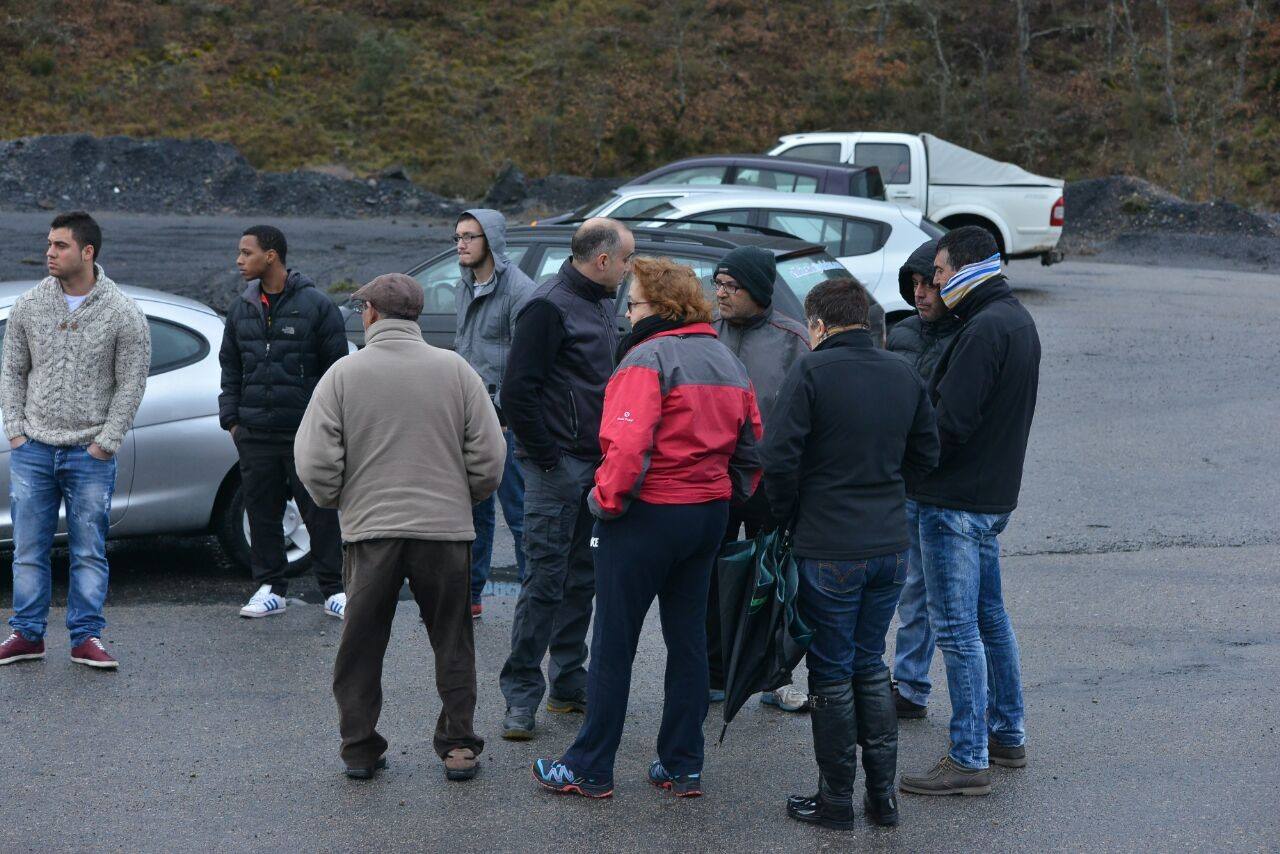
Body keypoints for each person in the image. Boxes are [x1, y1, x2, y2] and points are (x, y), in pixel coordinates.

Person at [532, 257, 761, 800]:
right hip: (706, 513)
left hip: (646, 514)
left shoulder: (647, 357)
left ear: (659, 306)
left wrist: (604, 502)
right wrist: (725, 495)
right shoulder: (726, 359)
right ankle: (681, 764)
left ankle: (590, 766)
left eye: (631, 304)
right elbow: (752, 447)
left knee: (614, 642)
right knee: (688, 643)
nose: (625, 314)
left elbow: (627, 447)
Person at [294, 273, 506, 783]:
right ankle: (459, 745)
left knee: (362, 644)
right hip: (445, 531)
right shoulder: (456, 370)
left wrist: (341, 500)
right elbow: (491, 455)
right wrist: (464, 496)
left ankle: (360, 749)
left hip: (372, 532)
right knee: (452, 640)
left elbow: (314, 459)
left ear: (370, 313)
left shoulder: (344, 375)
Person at [762, 277, 939, 829]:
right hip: (888, 545)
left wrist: (787, 516)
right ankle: (881, 799)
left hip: (829, 545)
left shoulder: (811, 371)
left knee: (832, 672)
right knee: (870, 663)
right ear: (864, 318)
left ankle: (836, 799)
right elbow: (927, 455)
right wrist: (886, 489)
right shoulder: (902, 372)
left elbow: (779, 461)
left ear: (817, 324)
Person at [899, 225, 1040, 797]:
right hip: (988, 495)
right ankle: (1007, 733)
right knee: (989, 619)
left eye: (937, 273)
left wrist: (904, 459)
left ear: (964, 269)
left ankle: (968, 757)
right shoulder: (1014, 319)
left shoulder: (983, 329)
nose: (932, 283)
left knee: (958, 629)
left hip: (953, 499)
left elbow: (948, 426)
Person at [498, 218, 634, 740]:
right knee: (544, 583)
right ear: (602, 261)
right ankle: (521, 696)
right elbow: (517, 392)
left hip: (595, 465)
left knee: (583, 578)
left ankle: (568, 682)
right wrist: (549, 459)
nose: (628, 271)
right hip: (556, 469)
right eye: (625, 260)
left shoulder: (601, 300)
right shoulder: (547, 306)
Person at [0, 211, 150, 669]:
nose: (49, 252)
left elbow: (131, 383)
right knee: (28, 548)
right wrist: (16, 433)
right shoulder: (29, 305)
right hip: (33, 450)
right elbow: (11, 371)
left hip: (90, 453)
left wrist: (105, 442)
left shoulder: (123, 312)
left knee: (88, 550)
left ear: (87, 252)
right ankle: (27, 634)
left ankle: (86, 637)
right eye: (49, 244)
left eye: (60, 245)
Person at [218, 225, 349, 620]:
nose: (239, 261)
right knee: (261, 512)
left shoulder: (316, 305)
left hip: (303, 433)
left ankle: (335, 590)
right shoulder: (242, 307)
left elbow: (336, 370)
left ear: (271, 255)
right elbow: (230, 366)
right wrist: (232, 420)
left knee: (319, 512)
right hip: (255, 433)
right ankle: (270, 588)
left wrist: (328, 426)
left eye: (246, 253)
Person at [708, 246, 811, 713]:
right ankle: (712, 673)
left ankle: (775, 676)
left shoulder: (794, 341)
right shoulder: (705, 332)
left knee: (772, 582)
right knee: (711, 577)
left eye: (732, 286)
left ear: (759, 291)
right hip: (715, 477)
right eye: (719, 284)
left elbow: (809, 416)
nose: (722, 294)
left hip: (772, 483)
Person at [885, 238, 962, 720]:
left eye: (927, 284)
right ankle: (893, 681)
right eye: (913, 284)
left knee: (929, 594)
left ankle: (911, 686)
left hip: (939, 483)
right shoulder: (900, 334)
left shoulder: (965, 334)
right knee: (894, 585)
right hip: (896, 480)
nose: (920, 294)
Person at [452, 208, 535, 619]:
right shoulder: (463, 285)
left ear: (492, 241)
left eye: (470, 236)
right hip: (469, 419)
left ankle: (534, 602)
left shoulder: (519, 291)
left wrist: (503, 411)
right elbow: (464, 350)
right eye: (458, 237)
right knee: (472, 514)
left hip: (506, 423)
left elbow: (525, 363)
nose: (461, 244)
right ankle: (470, 596)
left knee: (520, 516)